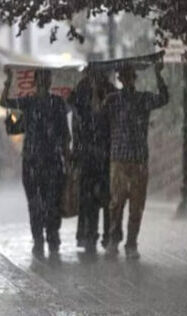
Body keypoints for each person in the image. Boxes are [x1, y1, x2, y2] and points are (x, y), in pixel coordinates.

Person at [99, 61, 168, 260]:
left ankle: (131, 243)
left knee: (136, 205)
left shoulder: (143, 99)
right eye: (124, 76)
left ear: (133, 79)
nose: (127, 80)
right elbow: (99, 117)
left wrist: (158, 75)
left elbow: (163, 98)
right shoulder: (112, 100)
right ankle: (114, 239)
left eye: (129, 76)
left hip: (138, 159)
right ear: (120, 79)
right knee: (116, 204)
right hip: (119, 159)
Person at [0, 68, 70, 259]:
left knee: (51, 202)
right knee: (36, 203)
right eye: (42, 79)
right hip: (33, 161)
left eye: (47, 79)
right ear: (37, 81)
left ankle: (51, 238)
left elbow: (64, 134)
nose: (44, 82)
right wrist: (8, 81)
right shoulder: (30, 103)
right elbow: (5, 103)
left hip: (50, 161)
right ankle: (40, 239)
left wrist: (67, 157)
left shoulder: (56, 103)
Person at [67, 68, 117, 254]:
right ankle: (90, 234)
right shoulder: (81, 90)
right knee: (89, 198)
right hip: (88, 153)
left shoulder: (111, 91)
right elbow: (77, 118)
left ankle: (106, 235)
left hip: (104, 153)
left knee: (106, 197)